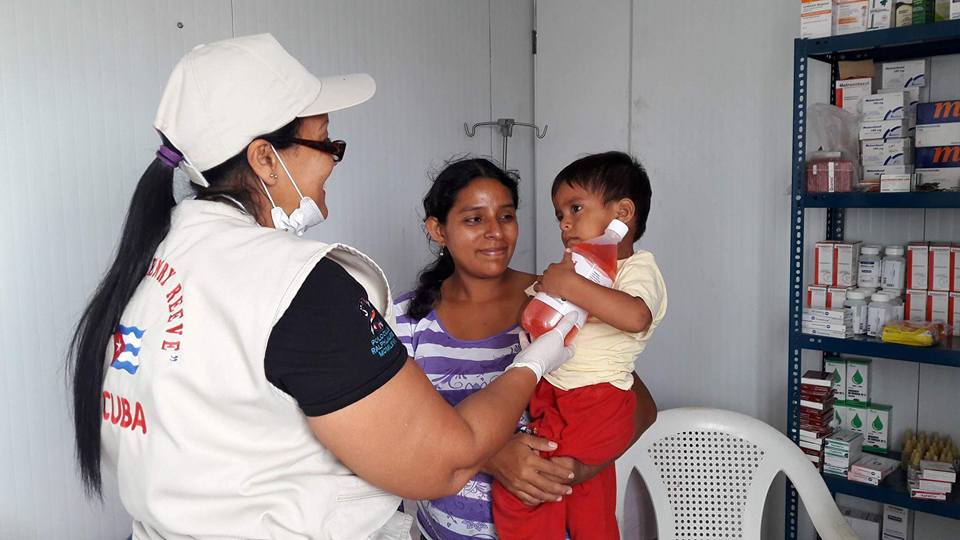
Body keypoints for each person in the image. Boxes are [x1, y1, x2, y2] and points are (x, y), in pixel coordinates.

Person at [66, 33, 576, 539]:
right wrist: (536, 359)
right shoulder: (296, 285)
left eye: (506, 216)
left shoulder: (150, 264)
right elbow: (441, 462)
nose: (334, 159)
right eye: (327, 143)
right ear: (265, 159)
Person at [393, 157, 658, 539]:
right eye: (473, 219)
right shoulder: (406, 320)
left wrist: (575, 468)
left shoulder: (555, 299)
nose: (495, 233)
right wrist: (489, 455)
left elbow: (637, 406)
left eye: (505, 216)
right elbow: (393, 433)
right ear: (438, 230)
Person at [492, 151, 668, 539]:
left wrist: (570, 285)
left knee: (530, 491)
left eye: (575, 208)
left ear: (622, 214)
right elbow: (533, 311)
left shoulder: (637, 270)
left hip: (597, 399)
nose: (565, 223)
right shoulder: (577, 267)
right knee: (588, 498)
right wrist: (544, 293)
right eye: (560, 215)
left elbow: (636, 317)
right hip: (557, 391)